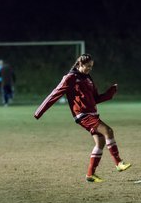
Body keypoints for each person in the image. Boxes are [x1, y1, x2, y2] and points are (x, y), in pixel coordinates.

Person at [34, 54, 131, 182]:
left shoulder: (88, 79)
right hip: (82, 115)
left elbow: (95, 99)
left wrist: (110, 93)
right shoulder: (70, 78)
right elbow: (54, 94)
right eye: (87, 66)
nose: (89, 69)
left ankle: (90, 174)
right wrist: (39, 111)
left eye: (91, 67)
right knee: (108, 131)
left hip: (92, 114)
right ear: (79, 64)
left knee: (100, 142)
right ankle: (118, 163)